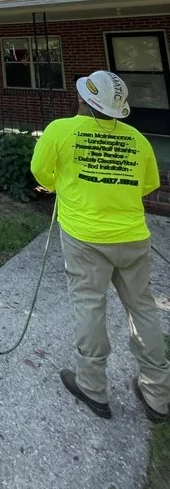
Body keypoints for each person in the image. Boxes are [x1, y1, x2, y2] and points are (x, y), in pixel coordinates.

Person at [31, 70, 169, 422]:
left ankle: (92, 385)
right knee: (143, 309)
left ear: (84, 99)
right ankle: (158, 392)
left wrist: (64, 186)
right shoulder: (137, 139)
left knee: (90, 306)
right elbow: (147, 185)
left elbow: (41, 172)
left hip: (84, 237)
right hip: (133, 236)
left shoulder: (60, 130)